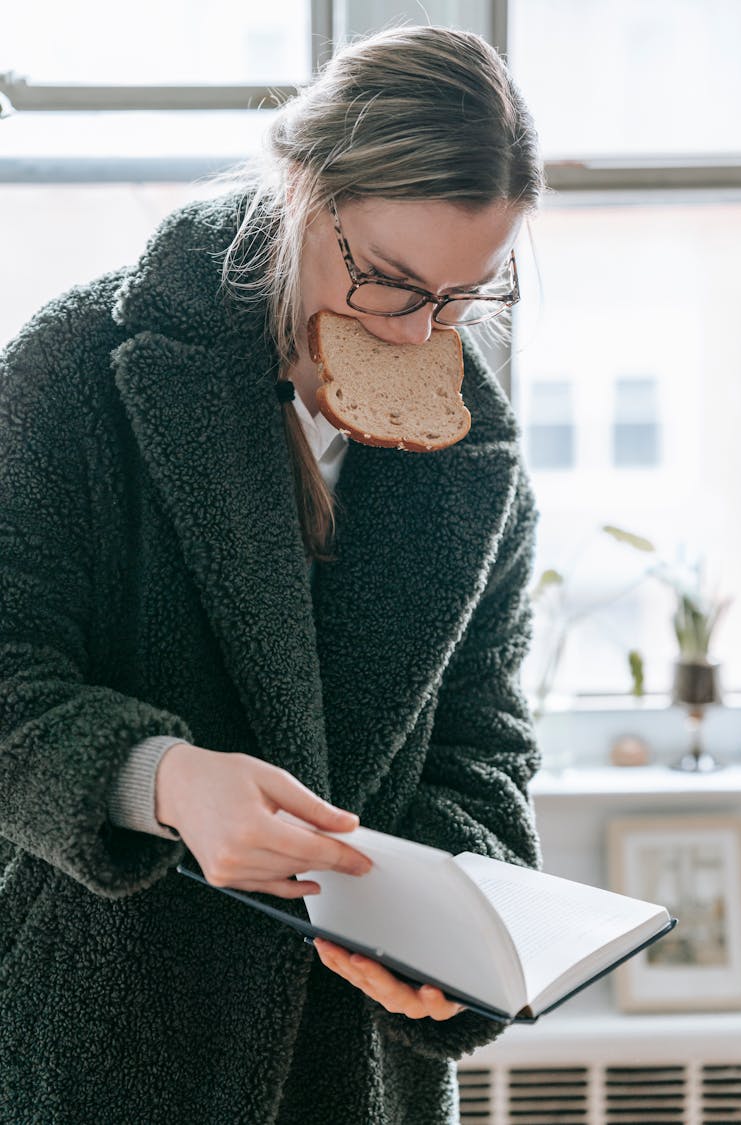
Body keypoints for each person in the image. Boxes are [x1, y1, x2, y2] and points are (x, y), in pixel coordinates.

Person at [0, 23, 544, 1125]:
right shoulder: (77, 371)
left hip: (361, 1076)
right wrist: (156, 780)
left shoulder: (476, 462)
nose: (422, 332)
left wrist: (444, 939)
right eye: (393, 284)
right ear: (302, 189)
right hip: (94, 1051)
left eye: (467, 296)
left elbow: (487, 751)